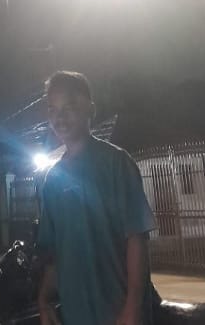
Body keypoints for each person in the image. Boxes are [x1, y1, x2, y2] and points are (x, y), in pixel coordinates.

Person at [37, 71, 156, 325]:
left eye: (69, 107)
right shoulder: (52, 180)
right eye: (53, 110)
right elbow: (56, 254)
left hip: (118, 312)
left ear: (90, 109)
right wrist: (44, 299)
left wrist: (132, 307)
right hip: (75, 314)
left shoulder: (116, 164)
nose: (60, 117)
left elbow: (136, 238)